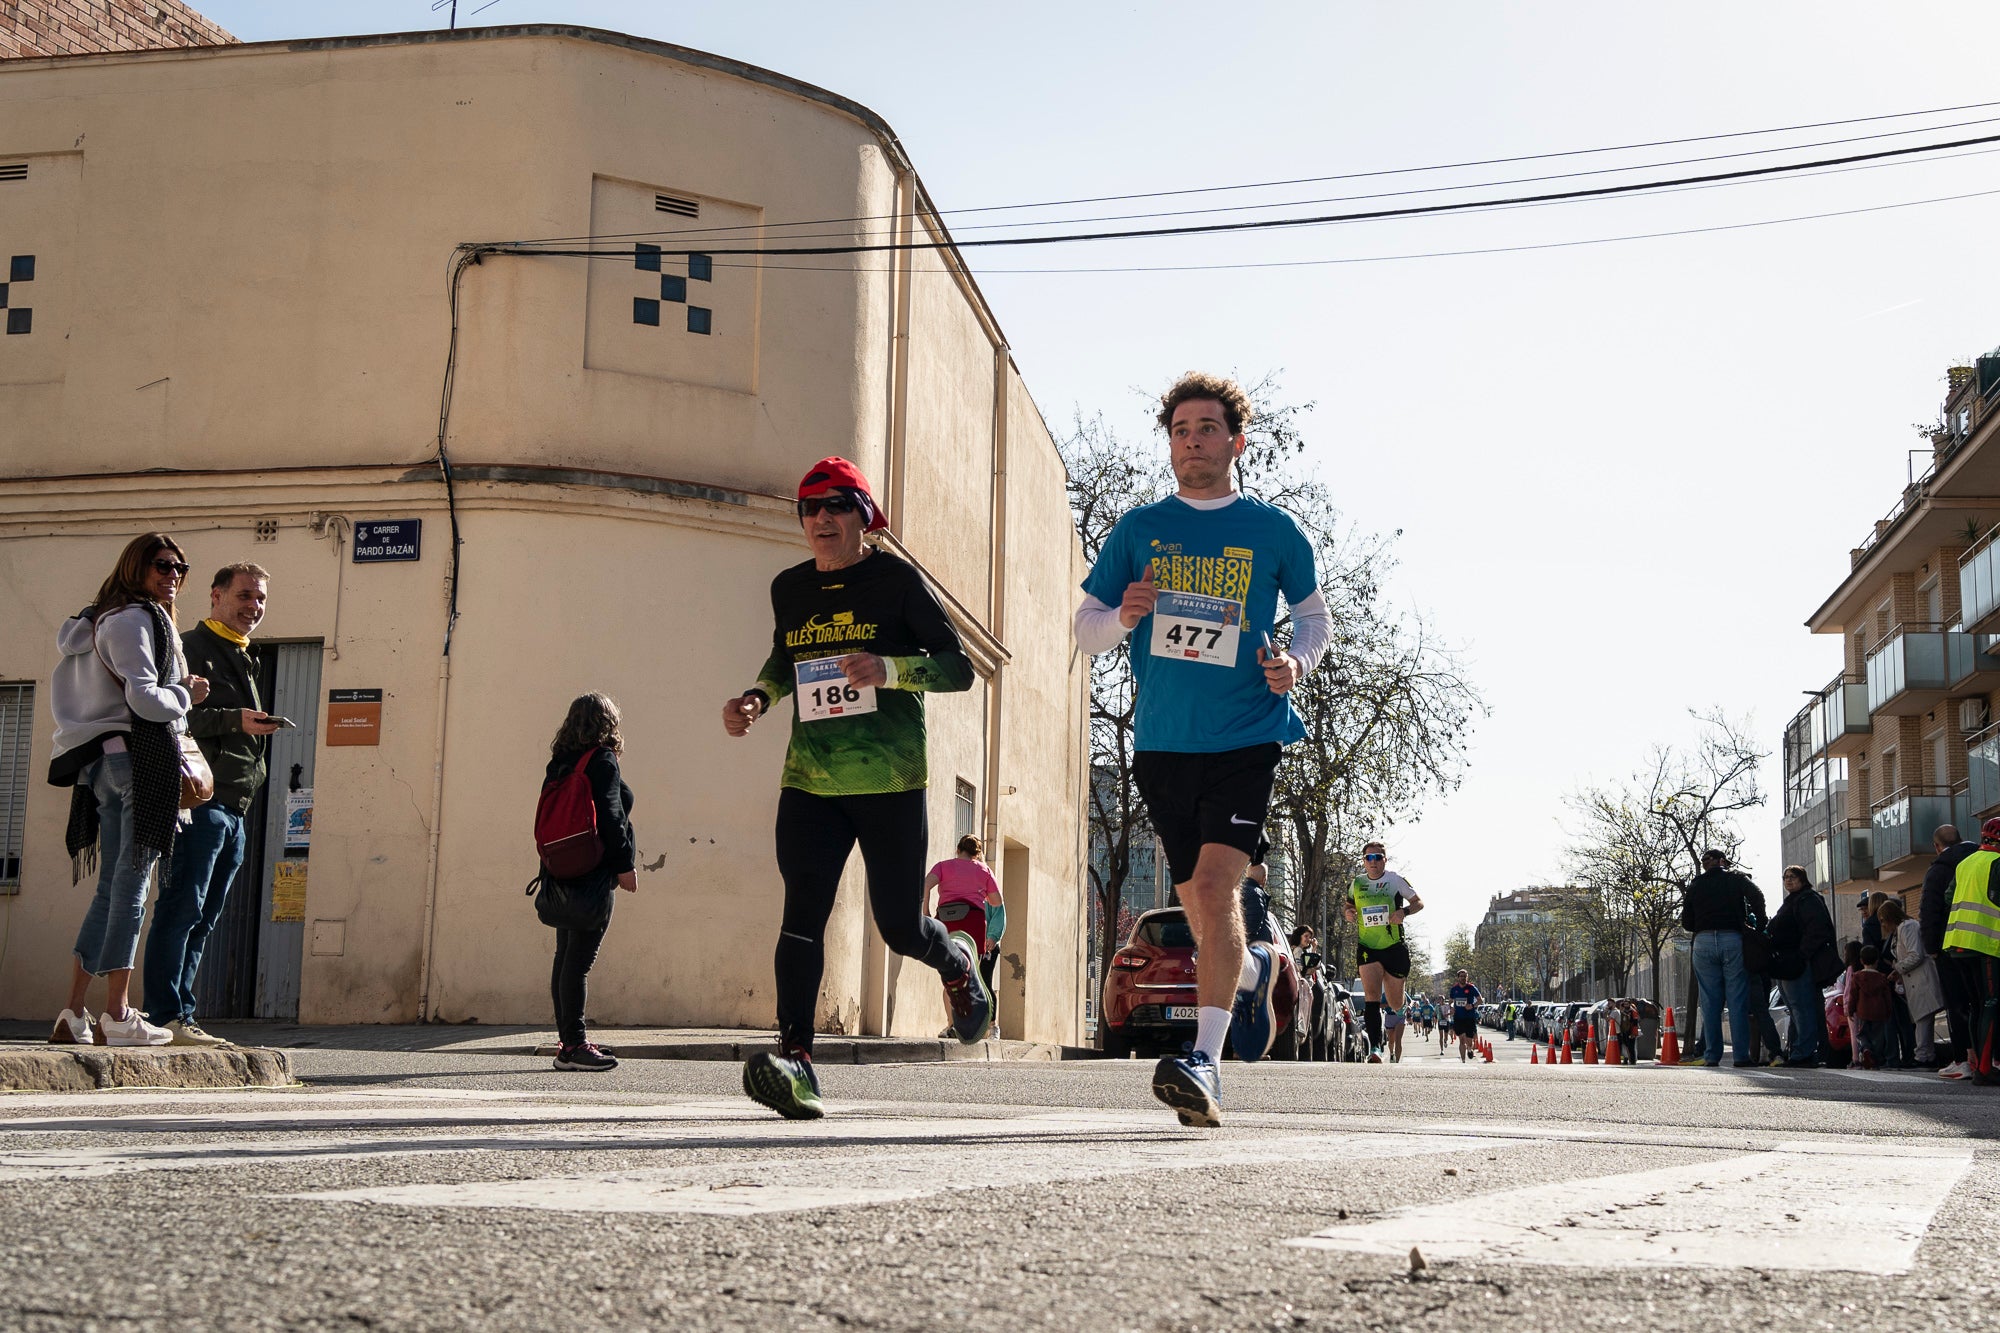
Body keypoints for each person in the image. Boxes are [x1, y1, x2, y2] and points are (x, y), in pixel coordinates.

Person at [1072, 373, 1332, 1127]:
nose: (1193, 440)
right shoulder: (1140, 530)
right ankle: (1248, 966)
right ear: (1171, 442)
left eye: (1207, 428)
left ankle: (1205, 1062)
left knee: (1217, 889)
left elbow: (1314, 618)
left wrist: (1296, 663)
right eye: (1181, 429)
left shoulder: (1273, 530)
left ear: (1236, 441)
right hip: (1161, 743)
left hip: (1248, 731)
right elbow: (1085, 629)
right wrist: (1123, 613)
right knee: (1197, 900)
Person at [725, 457, 990, 1120]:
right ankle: (798, 1062)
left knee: (900, 925)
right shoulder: (789, 588)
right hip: (810, 779)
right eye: (809, 508)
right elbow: (785, 659)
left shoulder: (897, 581)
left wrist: (889, 668)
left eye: (836, 506)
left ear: (864, 516)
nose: (821, 519)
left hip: (889, 779)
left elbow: (959, 668)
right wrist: (758, 697)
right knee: (801, 918)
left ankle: (955, 959)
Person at [45, 533, 209, 1047]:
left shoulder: (96, 620)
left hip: (103, 761)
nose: (173, 576)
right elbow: (145, 699)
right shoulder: (136, 619)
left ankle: (74, 1013)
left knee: (112, 889)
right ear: (135, 567)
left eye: (181, 568)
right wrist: (188, 693)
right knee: (133, 888)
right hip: (136, 759)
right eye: (162, 565)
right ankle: (117, 1013)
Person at [139, 562, 280, 1045]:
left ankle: (183, 1015)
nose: (253, 607)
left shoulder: (242, 654)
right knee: (181, 908)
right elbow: (166, 717)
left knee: (204, 915)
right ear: (216, 596)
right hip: (200, 802)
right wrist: (233, 720)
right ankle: (164, 1016)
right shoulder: (191, 648)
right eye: (244, 596)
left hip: (234, 807)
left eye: (259, 598)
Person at [543, 692, 638, 1072]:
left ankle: (568, 1040)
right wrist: (625, 866)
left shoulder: (561, 763)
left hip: (561, 869)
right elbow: (613, 819)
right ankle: (574, 1046)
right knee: (579, 961)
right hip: (593, 873)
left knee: (565, 956)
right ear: (608, 724)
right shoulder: (602, 761)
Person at [1680, 848, 1761, 1067]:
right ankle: (1741, 1056)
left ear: (1705, 864)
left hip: (1703, 941)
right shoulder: (1735, 880)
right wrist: (1758, 925)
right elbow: (1757, 896)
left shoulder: (1696, 885)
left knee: (1710, 1002)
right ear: (1722, 861)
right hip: (1732, 938)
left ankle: (1711, 1055)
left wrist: (1700, 924)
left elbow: (1686, 920)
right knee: (1737, 1000)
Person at [1344, 841, 1424, 1063]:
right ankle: (1376, 1048)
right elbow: (1348, 906)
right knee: (1371, 997)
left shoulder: (1394, 880)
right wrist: (1349, 913)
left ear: (1384, 860)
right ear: (1364, 861)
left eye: (1378, 857)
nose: (1373, 862)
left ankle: (1401, 1003)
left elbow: (1419, 902)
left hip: (1394, 948)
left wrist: (1404, 912)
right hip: (1368, 947)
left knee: (1395, 1003)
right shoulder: (1356, 883)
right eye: (1369, 858)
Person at [1941, 817, 2000, 1086]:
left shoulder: (1965, 863)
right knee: (1991, 1002)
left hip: (1958, 944)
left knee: (1976, 1005)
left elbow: (1948, 897)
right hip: (1986, 943)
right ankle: (1986, 1069)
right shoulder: (1996, 863)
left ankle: (1978, 1063)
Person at [1919, 824, 1980, 1080]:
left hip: (1951, 944)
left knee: (1957, 1003)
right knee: (1981, 1001)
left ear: (1936, 846)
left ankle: (1962, 1059)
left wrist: (1931, 948)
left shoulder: (1939, 870)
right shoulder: (1982, 860)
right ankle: (1987, 1056)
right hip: (1985, 943)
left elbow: (1930, 912)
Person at [926, 834, 1004, 1022]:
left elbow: (925, 885)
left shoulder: (943, 866)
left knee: (949, 974)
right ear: (977, 854)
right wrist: (979, 892)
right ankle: (973, 1019)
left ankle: (951, 1023)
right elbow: (997, 901)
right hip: (973, 922)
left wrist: (925, 911)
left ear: (958, 849)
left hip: (946, 921)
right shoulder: (984, 870)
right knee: (971, 973)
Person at [1766, 864, 1835, 1067]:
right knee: (1795, 1009)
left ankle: (1804, 1052)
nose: (1788, 880)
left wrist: (1801, 955)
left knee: (1802, 1008)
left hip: (1797, 962)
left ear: (1802, 878)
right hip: (1786, 961)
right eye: (1785, 877)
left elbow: (1818, 930)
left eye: (1793, 876)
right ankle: (1799, 1051)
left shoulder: (1808, 899)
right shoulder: (1792, 901)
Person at [1882, 894, 1943, 1069]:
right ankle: (1926, 1054)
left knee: (1923, 1017)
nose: (1883, 924)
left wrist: (1898, 968)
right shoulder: (1903, 928)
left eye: (1883, 920)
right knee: (1923, 1018)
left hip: (1921, 979)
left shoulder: (1907, 927)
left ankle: (1923, 1055)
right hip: (1916, 979)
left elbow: (1916, 954)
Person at [1846, 944, 1893, 1070]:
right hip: (1879, 1011)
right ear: (1877, 960)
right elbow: (1887, 997)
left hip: (1863, 1011)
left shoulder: (1856, 977)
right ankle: (1875, 1059)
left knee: (1862, 1034)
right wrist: (1889, 1010)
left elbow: (1853, 996)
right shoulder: (1882, 978)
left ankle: (1866, 1049)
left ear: (1861, 961)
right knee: (1878, 1037)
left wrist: (1850, 1010)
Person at [1447, 970, 1481, 1061]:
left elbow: (1480, 1000)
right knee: (1462, 1039)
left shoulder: (1471, 988)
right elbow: (1450, 1002)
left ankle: (1469, 1049)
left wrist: (1472, 1005)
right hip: (1458, 1017)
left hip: (1469, 1017)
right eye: (1461, 976)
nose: (1463, 978)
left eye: (1465, 976)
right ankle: (1463, 1061)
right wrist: (1451, 1007)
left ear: (1467, 977)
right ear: (1458, 977)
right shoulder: (1454, 989)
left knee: (1469, 1041)